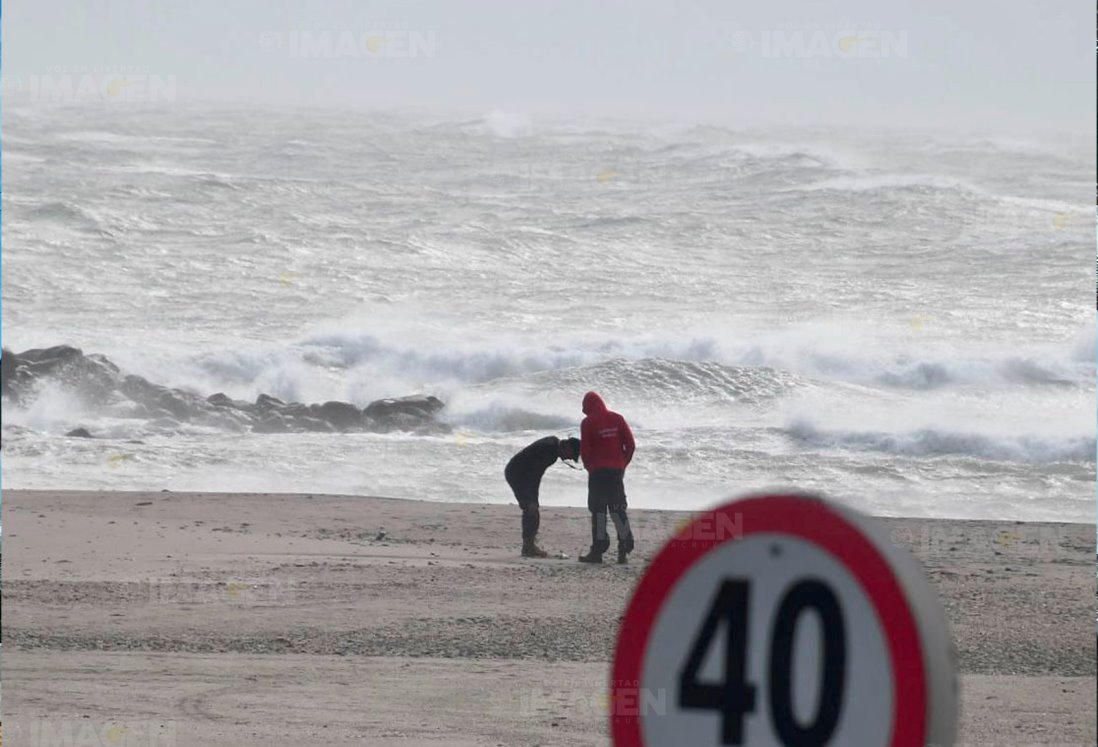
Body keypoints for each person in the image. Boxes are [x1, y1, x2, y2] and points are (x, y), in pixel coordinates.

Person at [578, 391, 635, 564]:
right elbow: (630, 445)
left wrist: (589, 468)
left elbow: (585, 451)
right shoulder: (618, 418)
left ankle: (598, 551)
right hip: (616, 471)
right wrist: (622, 464)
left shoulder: (587, 423)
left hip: (597, 473)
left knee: (599, 511)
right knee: (618, 509)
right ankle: (624, 549)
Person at [505, 435, 581, 557]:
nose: (570, 458)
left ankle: (528, 545)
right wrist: (533, 499)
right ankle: (528, 547)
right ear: (567, 446)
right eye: (572, 455)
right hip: (517, 473)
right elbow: (535, 474)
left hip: (517, 470)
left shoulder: (552, 444)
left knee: (531, 507)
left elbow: (535, 473)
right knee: (531, 508)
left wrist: (534, 498)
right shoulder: (550, 451)